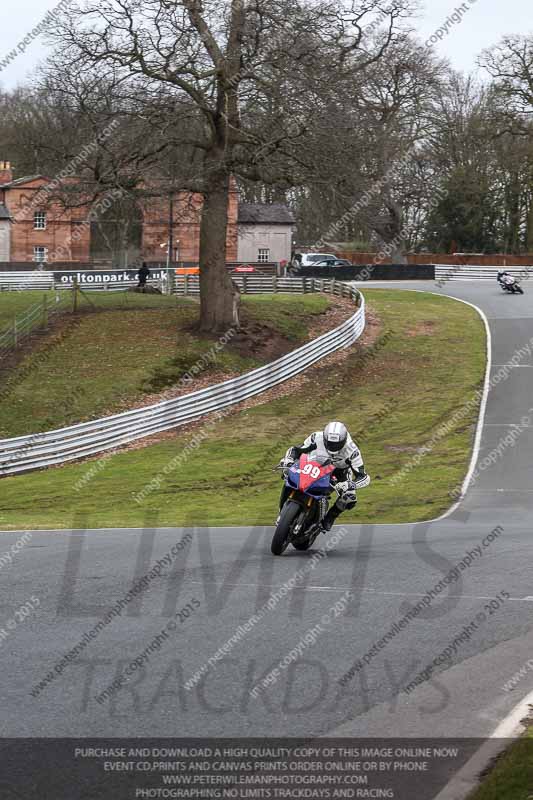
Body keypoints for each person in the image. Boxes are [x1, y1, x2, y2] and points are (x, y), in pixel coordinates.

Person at [278, 421, 370, 531]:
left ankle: (330, 517)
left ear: (344, 440)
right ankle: (282, 511)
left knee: (349, 498)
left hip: (339, 471)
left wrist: (349, 484)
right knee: (288, 475)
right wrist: (288, 460)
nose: (333, 446)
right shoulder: (316, 437)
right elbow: (295, 450)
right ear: (325, 438)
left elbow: (364, 477)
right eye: (330, 443)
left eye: (337, 444)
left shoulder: (352, 451)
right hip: (313, 464)